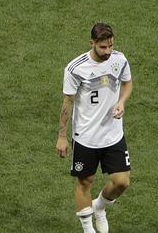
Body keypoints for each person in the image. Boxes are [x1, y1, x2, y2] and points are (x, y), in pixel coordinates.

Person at [57, 22, 133, 233]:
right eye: (103, 47)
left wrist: (122, 102)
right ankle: (88, 229)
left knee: (122, 182)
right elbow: (67, 102)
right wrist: (62, 137)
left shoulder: (119, 59)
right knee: (85, 182)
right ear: (92, 43)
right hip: (86, 137)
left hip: (113, 134)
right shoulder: (75, 68)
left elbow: (127, 83)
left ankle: (99, 206)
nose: (107, 51)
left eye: (110, 46)